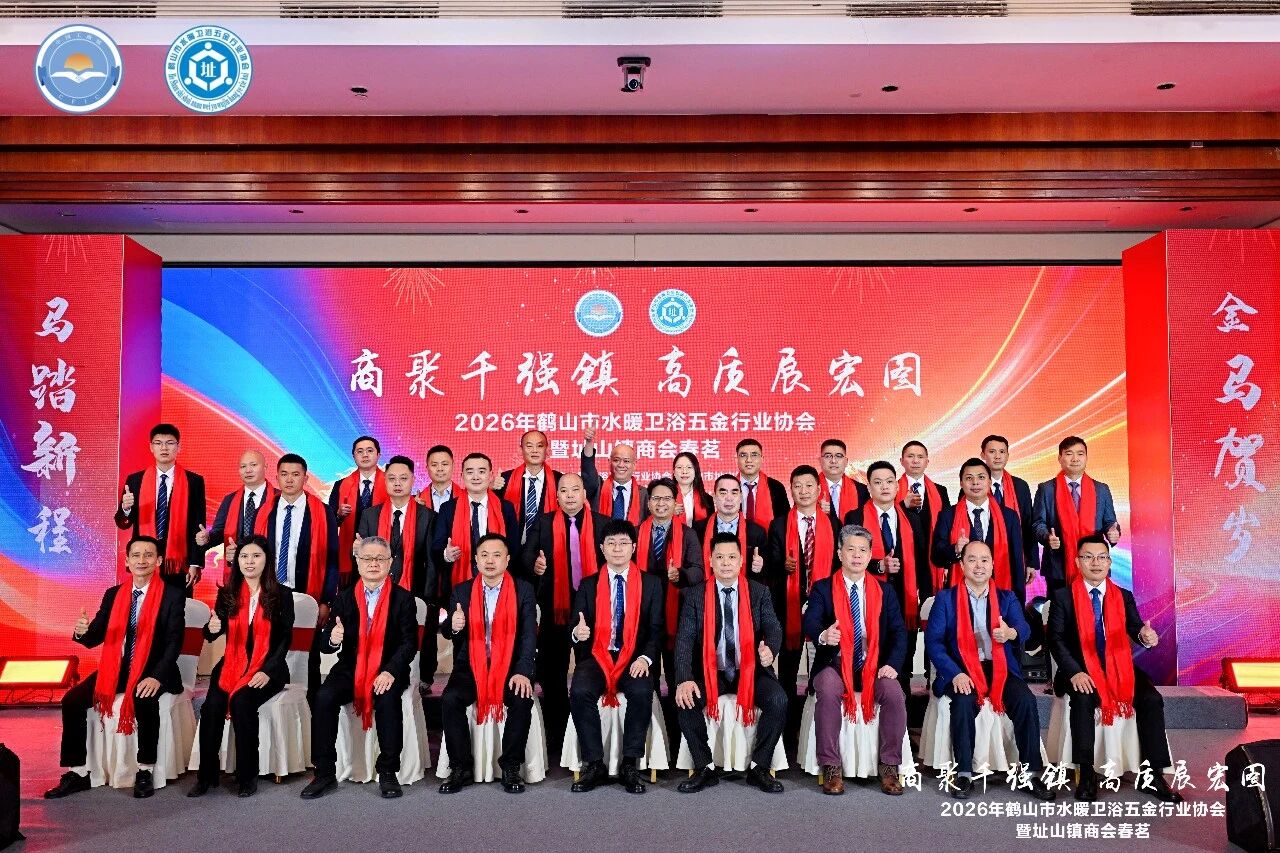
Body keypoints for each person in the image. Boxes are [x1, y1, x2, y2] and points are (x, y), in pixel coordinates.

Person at [45, 536, 184, 800]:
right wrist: (82, 632)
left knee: (144, 698)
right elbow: (95, 636)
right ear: (127, 561)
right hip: (118, 668)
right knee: (72, 700)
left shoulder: (172, 595)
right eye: (136, 555)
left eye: (148, 555)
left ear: (159, 561)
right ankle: (78, 772)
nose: (142, 560)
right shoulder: (114, 594)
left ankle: (145, 770)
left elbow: (173, 642)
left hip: (155, 669)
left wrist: (156, 677)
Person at [1047, 535, 1180, 803]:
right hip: (1080, 668)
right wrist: (1074, 671)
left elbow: (1136, 628)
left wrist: (1145, 636)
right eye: (1088, 557)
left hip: (1118, 668)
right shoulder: (1063, 597)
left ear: (1109, 562)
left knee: (1151, 699)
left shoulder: (1123, 595)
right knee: (1083, 699)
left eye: (1101, 557)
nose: (1095, 563)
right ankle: (1086, 773)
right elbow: (1056, 640)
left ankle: (1153, 774)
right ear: (1077, 562)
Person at [924, 541, 1054, 801]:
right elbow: (934, 643)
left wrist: (1011, 633)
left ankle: (1031, 774)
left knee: (1026, 701)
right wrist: (955, 673)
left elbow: (1025, 630)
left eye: (984, 560)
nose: (979, 566)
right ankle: (964, 773)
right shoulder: (946, 599)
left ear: (993, 564)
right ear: (962, 565)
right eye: (972, 559)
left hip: (1000, 668)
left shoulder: (1007, 598)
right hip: (961, 668)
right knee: (963, 702)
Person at [302, 537, 418, 800]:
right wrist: (334, 639)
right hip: (350, 668)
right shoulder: (344, 598)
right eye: (367, 558)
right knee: (323, 697)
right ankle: (324, 773)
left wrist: (390, 671)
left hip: (389, 669)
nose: (373, 564)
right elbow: (325, 645)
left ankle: (388, 771)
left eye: (380, 559)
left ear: (390, 562)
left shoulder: (403, 599)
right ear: (357, 562)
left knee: (387, 700)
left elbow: (409, 643)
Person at [674, 533, 786, 794]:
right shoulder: (695, 595)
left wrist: (770, 650)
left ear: (741, 561)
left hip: (750, 670)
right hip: (711, 671)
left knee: (778, 700)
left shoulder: (759, 592)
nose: (726, 563)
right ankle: (704, 768)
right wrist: (684, 679)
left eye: (732, 557)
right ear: (710, 561)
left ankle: (759, 767)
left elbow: (773, 628)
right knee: (686, 700)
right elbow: (684, 640)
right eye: (720, 557)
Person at [803, 525, 908, 795]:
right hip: (835, 663)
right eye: (851, 549)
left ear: (871, 555)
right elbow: (810, 621)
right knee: (828, 689)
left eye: (863, 550)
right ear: (840, 553)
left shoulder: (885, 591)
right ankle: (831, 765)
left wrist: (892, 665)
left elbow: (899, 632)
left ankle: (889, 765)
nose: (857, 555)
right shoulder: (823, 588)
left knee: (894, 693)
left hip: (874, 665)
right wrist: (824, 635)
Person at [189, 535, 295, 798]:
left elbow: (284, 640)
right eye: (244, 556)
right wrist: (211, 628)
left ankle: (248, 775)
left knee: (242, 702)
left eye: (256, 556)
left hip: (268, 668)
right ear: (237, 561)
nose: (249, 562)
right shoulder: (227, 593)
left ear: (266, 560)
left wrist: (266, 671)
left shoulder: (281, 595)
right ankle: (206, 775)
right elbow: (213, 632)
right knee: (211, 707)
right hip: (231, 665)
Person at [567, 520, 664, 794]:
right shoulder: (588, 585)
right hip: (597, 656)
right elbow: (574, 625)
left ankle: (630, 764)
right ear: (602, 548)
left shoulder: (651, 584)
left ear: (633, 547)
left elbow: (656, 629)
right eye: (611, 543)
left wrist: (645, 659)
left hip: (634, 658)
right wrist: (578, 633)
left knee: (641, 691)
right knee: (580, 690)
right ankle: (594, 764)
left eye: (623, 543)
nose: (617, 549)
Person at [438, 534, 538, 795]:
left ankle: (511, 766)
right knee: (450, 699)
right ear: (476, 559)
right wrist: (454, 626)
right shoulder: (462, 591)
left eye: (496, 555)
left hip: (511, 665)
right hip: (470, 665)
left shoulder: (523, 590)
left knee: (521, 699)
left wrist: (523, 671)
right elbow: (448, 631)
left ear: (507, 559)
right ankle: (460, 767)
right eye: (484, 555)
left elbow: (529, 635)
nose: (490, 561)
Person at [520, 473, 608, 748]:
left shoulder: (603, 524)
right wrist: (534, 565)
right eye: (564, 491)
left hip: (593, 611)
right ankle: (558, 733)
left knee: (590, 669)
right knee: (552, 673)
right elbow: (526, 555)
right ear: (556, 496)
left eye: (575, 490)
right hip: (554, 609)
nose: (569, 495)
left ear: (584, 494)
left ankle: (591, 730)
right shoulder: (543, 522)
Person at [849, 461, 931, 695]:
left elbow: (922, 561)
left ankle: (902, 711)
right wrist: (879, 565)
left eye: (889, 482)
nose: (884, 487)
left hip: (905, 601)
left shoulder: (911, 518)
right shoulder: (855, 517)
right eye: (877, 482)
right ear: (869, 487)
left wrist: (926, 598)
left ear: (897, 486)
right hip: (868, 599)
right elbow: (848, 559)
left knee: (902, 659)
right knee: (872, 658)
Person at [357, 455, 438, 688]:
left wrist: (428, 598)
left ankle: (423, 678)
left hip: (415, 589)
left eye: (403, 478)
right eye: (392, 478)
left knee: (415, 637)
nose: (397, 483)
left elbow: (431, 561)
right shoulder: (370, 515)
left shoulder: (428, 516)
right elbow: (362, 556)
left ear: (413, 480)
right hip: (377, 589)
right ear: (385, 481)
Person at [766, 465, 839, 703]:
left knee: (823, 665)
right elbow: (771, 565)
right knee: (788, 668)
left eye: (809, 486)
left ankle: (817, 714)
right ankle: (788, 719)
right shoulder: (778, 525)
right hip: (789, 603)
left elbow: (839, 565)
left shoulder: (833, 524)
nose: (804, 491)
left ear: (819, 489)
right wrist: (781, 565)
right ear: (791, 490)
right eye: (798, 486)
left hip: (825, 603)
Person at [114, 423, 207, 594]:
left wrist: (195, 563)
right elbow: (123, 523)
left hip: (179, 561)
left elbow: (198, 525)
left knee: (177, 607)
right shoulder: (135, 480)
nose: (164, 448)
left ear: (178, 447)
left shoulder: (194, 481)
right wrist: (125, 509)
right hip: (145, 559)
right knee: (144, 606)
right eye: (158, 443)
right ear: (151, 447)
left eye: (170, 443)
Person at [635, 477, 704, 698]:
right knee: (646, 677)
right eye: (656, 498)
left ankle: (676, 720)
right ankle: (653, 720)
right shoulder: (635, 533)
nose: (661, 503)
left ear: (675, 503)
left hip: (679, 613)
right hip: (645, 615)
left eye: (667, 498)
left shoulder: (688, 535)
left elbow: (699, 571)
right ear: (648, 503)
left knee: (678, 676)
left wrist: (680, 575)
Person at [432, 452, 520, 622]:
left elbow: (514, 548)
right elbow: (437, 546)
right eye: (470, 471)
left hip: (498, 584)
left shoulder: (505, 508)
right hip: (460, 586)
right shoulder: (448, 508)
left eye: (481, 471)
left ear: (490, 475)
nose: (476, 477)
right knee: (462, 633)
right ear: (462, 476)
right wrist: (446, 554)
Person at [1032, 436, 1121, 597]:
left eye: (1080, 454)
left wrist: (1113, 533)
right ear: (1060, 458)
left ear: (1086, 457)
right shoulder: (1046, 489)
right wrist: (1047, 537)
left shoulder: (1101, 489)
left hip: (1095, 565)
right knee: (1059, 610)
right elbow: (1038, 523)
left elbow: (1110, 522)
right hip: (1058, 566)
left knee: (1095, 608)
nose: (1075, 459)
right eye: (1069, 454)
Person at [931, 458, 1027, 604]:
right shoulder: (948, 515)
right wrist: (955, 549)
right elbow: (936, 557)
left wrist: (1018, 603)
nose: (975, 483)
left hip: (1001, 595)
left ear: (989, 482)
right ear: (961, 483)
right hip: (961, 597)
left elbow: (1017, 563)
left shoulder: (1009, 516)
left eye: (981, 477)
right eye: (969, 478)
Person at [261, 453, 339, 614]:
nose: (289, 480)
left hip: (306, 593)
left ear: (305, 478)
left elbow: (332, 559)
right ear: (277, 478)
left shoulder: (324, 512)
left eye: (295, 474)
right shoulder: (264, 512)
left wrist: (326, 601)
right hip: (269, 592)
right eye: (284, 474)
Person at [980, 435, 1040, 585]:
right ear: (983, 455)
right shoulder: (974, 486)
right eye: (992, 452)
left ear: (1007, 455)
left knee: (1013, 596)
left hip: (1015, 556)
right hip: (982, 559)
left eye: (1002, 452)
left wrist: (1031, 562)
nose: (997, 456)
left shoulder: (1020, 486)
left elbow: (1028, 524)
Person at [329, 436, 386, 586]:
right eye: (360, 451)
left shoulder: (391, 483)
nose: (365, 455)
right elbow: (329, 524)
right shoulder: (340, 485)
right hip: (350, 555)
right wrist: (339, 515)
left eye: (369, 451)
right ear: (354, 456)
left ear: (378, 455)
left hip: (382, 553)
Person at [198, 450, 274, 557]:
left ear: (265, 466)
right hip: (237, 562)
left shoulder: (278, 499)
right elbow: (219, 532)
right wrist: (207, 538)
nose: (248, 470)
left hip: (270, 562)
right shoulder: (229, 500)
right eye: (243, 466)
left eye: (253, 465)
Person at [898, 440, 950, 592]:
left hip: (932, 560)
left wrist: (947, 563)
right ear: (901, 461)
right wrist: (902, 505)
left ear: (927, 462)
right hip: (902, 561)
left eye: (920, 457)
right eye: (910, 456)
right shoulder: (892, 489)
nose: (915, 461)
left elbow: (947, 528)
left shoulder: (940, 491)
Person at [692, 474, 767, 579]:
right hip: (706, 587)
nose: (729, 498)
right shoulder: (697, 530)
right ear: (714, 497)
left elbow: (767, 574)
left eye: (734, 492)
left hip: (745, 588)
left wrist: (760, 568)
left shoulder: (757, 532)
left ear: (741, 497)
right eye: (723, 493)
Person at [498, 430, 561, 550]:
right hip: (513, 550)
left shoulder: (559, 480)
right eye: (529, 446)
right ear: (520, 450)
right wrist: (490, 488)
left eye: (540, 446)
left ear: (547, 450)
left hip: (548, 549)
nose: (534, 450)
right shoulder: (504, 479)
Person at [581, 427, 648, 523]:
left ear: (634, 464)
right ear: (609, 462)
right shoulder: (598, 488)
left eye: (626, 461)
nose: (621, 465)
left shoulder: (644, 494)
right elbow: (588, 471)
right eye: (616, 460)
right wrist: (589, 443)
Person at [736, 438, 791, 532]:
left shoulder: (776, 487)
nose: (749, 460)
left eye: (754, 455)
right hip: (734, 539)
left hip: (769, 540)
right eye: (743, 455)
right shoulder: (728, 487)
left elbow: (784, 523)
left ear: (762, 459)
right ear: (736, 459)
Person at [818, 439, 869, 528]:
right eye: (828, 456)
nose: (833, 461)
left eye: (838, 456)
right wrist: (814, 509)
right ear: (820, 460)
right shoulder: (808, 490)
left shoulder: (862, 490)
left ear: (846, 461)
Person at [672, 451, 713, 528]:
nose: (684, 472)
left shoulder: (708, 500)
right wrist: (667, 514)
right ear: (674, 471)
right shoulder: (665, 498)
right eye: (679, 467)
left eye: (689, 467)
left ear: (695, 471)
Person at [422, 444, 462, 513]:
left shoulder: (466, 497)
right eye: (434, 465)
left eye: (445, 464)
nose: (440, 469)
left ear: (453, 466)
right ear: (427, 468)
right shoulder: (418, 500)